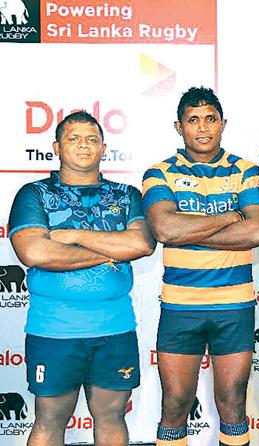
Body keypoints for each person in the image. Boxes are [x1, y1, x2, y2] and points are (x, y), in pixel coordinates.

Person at [9, 111, 155, 445]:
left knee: (111, 418)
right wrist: (108, 253)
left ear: (104, 148)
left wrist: (69, 235)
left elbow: (141, 244)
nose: (84, 146)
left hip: (114, 329)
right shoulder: (34, 194)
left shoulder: (125, 194)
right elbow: (36, 253)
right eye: (73, 139)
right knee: (48, 421)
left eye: (92, 139)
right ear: (56, 146)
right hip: (54, 331)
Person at [143, 87, 259, 446]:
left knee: (232, 404)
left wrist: (190, 229)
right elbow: (165, 229)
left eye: (210, 119)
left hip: (234, 308)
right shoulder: (159, 173)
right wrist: (231, 217)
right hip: (181, 308)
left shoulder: (246, 171)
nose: (202, 128)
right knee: (175, 405)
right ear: (178, 126)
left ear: (223, 124)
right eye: (193, 120)